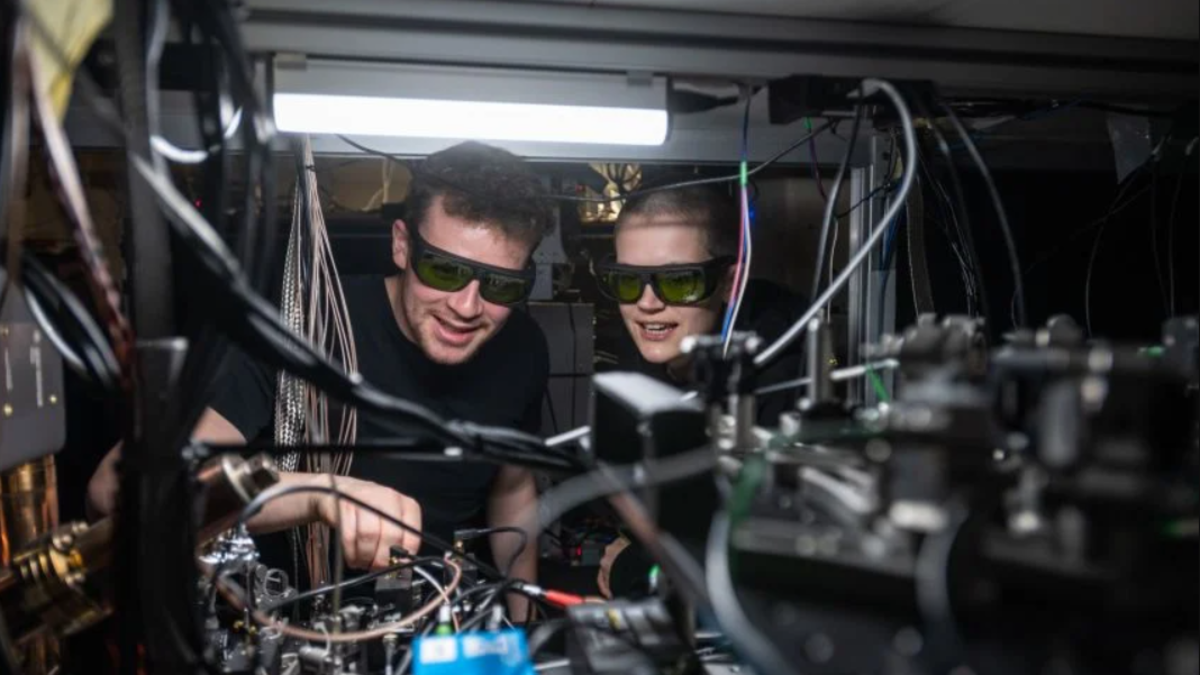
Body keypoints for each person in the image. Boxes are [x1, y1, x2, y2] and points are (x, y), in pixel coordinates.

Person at [87, 141, 552, 616]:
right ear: (402, 244)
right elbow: (115, 490)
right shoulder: (298, 328)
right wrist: (321, 494)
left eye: (501, 285)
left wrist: (524, 627)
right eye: (445, 270)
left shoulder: (522, 348)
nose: (467, 306)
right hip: (305, 629)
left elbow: (512, 490)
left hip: (447, 630)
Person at [591, 183, 805, 598]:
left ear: (730, 282)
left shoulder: (780, 364)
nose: (647, 304)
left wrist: (637, 565)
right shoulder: (647, 347)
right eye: (627, 280)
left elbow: (768, 553)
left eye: (679, 281)